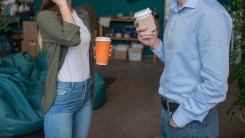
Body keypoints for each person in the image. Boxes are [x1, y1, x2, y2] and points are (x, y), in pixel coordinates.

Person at [135, 0, 232, 137]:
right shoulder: (175, 9)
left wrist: (179, 119)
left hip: (192, 123)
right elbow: (177, 60)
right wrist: (155, 43)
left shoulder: (211, 14)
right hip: (169, 113)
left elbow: (216, 84)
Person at [36, 0, 110, 137]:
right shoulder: (45, 16)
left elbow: (81, 46)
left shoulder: (81, 13)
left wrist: (95, 52)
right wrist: (63, 5)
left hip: (86, 90)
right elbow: (72, 39)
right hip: (62, 94)